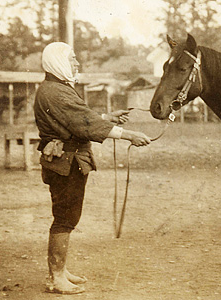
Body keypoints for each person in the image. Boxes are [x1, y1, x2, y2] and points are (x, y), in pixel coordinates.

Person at [34, 42, 151, 294]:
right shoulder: (56, 92)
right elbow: (82, 123)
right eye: (72, 58)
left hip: (68, 162)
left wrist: (107, 117)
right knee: (65, 218)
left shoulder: (58, 89)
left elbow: (80, 116)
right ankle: (56, 277)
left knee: (67, 217)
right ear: (57, 61)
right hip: (66, 163)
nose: (77, 63)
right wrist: (129, 135)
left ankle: (60, 271)